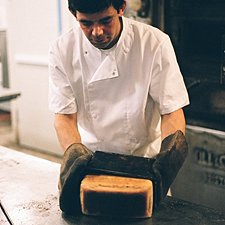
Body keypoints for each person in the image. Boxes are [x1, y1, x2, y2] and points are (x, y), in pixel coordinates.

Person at [49, 0, 189, 157]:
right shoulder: (63, 49)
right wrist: (74, 156)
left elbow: (171, 110)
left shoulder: (154, 43)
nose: (97, 32)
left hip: (144, 157)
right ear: (73, 14)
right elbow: (64, 116)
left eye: (105, 20)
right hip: (90, 157)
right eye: (86, 23)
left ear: (121, 7)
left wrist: (169, 157)